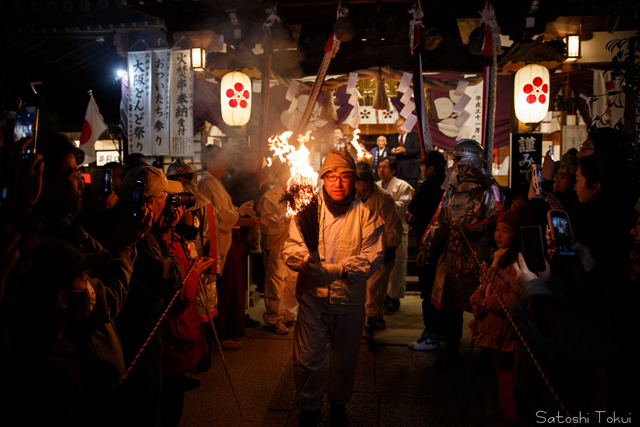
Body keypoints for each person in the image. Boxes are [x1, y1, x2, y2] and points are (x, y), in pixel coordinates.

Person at [283, 151, 384, 427]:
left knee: (343, 361)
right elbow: (290, 248)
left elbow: (373, 255)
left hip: (349, 302)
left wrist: (339, 270)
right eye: (331, 177)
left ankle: (338, 404)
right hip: (312, 299)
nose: (338, 183)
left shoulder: (366, 215)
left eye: (345, 177)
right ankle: (310, 409)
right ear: (322, 180)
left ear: (354, 180)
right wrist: (305, 260)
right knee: (308, 359)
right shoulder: (306, 211)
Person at [417, 139, 504, 371]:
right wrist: (426, 247)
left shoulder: (489, 190)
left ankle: (486, 353)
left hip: (479, 256)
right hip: (452, 253)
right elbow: (440, 221)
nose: (454, 165)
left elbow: (498, 221)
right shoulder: (452, 190)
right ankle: (451, 350)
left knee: (482, 304)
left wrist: (475, 229)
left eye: (458, 160)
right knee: (448, 306)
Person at [197, 145, 262, 350]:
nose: (226, 166)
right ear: (210, 162)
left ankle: (228, 331)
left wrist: (239, 211)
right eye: (222, 161)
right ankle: (223, 334)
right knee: (227, 289)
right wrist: (245, 221)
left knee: (232, 286)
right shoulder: (207, 182)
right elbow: (218, 216)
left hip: (228, 238)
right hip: (221, 240)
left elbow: (226, 210)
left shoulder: (214, 182)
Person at [469, 206, 526, 425]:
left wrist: (486, 303)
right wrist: (476, 300)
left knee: (507, 373)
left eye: (505, 231)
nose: (498, 235)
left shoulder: (516, 263)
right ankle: (502, 407)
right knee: (499, 370)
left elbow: (512, 297)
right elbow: (485, 285)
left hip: (503, 326)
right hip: (491, 323)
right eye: (498, 230)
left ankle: (512, 415)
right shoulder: (498, 257)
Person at [166, 158, 221, 372]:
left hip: (200, 266)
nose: (182, 181)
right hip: (178, 265)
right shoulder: (167, 202)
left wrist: (211, 269)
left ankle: (204, 355)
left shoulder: (203, 203)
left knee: (203, 314)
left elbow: (210, 238)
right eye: (176, 178)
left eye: (186, 177)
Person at [355, 161, 403, 339]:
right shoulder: (352, 196)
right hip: (357, 248)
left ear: (370, 180)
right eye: (357, 183)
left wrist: (391, 247)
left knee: (375, 287)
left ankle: (372, 319)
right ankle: (365, 317)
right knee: (358, 286)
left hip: (378, 248)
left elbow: (392, 226)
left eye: (364, 182)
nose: (361, 187)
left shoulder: (383, 198)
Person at [406, 151, 446, 351]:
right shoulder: (450, 187)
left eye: (423, 166)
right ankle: (444, 332)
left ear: (431, 169)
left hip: (429, 247)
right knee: (443, 295)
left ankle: (431, 335)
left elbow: (411, 214)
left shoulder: (428, 187)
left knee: (428, 292)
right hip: (447, 250)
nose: (421, 169)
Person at [256, 161, 298, 335]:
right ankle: (274, 318)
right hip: (277, 245)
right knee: (276, 283)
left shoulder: (296, 194)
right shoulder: (270, 196)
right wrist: (285, 220)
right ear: (281, 176)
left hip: (293, 245)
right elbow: (265, 224)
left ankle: (288, 314)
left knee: (292, 282)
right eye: (289, 173)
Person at [376, 156, 414, 315]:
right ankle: (383, 295)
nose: (381, 170)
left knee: (397, 267)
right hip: (378, 232)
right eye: (379, 167)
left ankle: (394, 298)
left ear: (392, 170)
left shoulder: (403, 186)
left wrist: (384, 202)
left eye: (385, 167)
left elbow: (403, 207)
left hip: (397, 231)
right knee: (380, 266)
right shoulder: (375, 186)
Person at [387, 117, 421, 188]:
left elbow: (418, 150)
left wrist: (405, 150)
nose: (400, 128)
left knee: (411, 193)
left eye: (402, 125)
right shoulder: (393, 137)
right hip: (397, 171)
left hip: (411, 171)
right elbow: (388, 150)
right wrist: (391, 151)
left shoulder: (414, 136)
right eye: (398, 126)